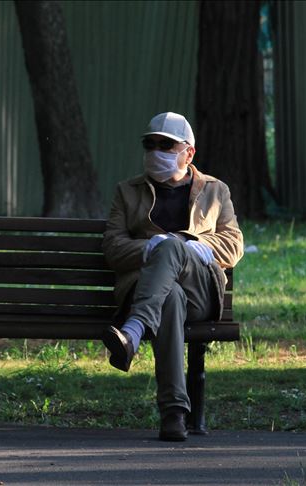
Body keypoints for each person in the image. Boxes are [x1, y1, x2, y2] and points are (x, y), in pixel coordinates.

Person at [101, 112, 244, 441]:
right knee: (170, 297)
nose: (155, 151)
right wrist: (149, 248)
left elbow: (233, 244)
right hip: (150, 293)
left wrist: (188, 245)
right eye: (149, 144)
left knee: (173, 247)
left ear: (188, 152)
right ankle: (174, 415)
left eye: (165, 145)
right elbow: (112, 247)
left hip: (200, 293)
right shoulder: (128, 191)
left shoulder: (215, 191)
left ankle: (133, 333)